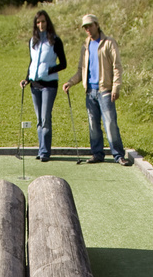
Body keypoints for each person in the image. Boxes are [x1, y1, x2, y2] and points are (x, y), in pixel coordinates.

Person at [63, 13, 130, 166]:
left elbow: (117, 67)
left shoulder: (108, 43)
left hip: (105, 90)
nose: (88, 29)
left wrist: (116, 87)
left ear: (97, 25)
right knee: (93, 126)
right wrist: (70, 82)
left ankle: (118, 155)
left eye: (90, 26)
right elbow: (81, 70)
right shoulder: (85, 46)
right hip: (90, 92)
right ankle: (97, 154)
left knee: (110, 124)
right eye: (85, 27)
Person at [20, 10, 67, 162]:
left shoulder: (55, 41)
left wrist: (48, 70)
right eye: (38, 22)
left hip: (49, 85)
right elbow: (32, 63)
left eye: (43, 21)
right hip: (35, 85)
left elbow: (63, 64)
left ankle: (45, 152)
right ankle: (41, 150)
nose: (41, 24)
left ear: (48, 23)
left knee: (45, 118)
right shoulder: (32, 41)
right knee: (39, 120)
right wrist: (27, 79)